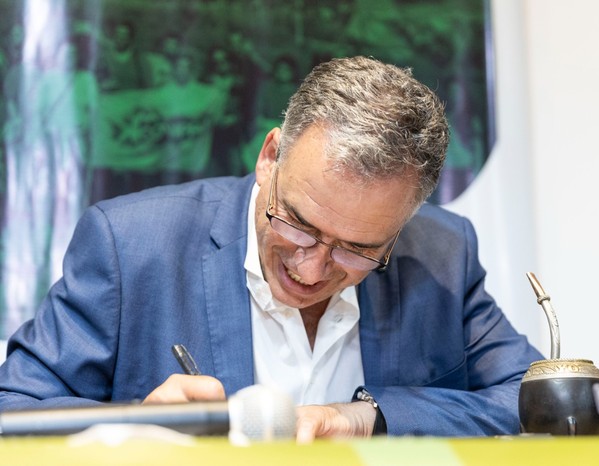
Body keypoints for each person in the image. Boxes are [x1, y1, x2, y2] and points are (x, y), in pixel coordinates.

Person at [0, 56, 542, 441]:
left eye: (357, 249)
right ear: (270, 157)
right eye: (298, 223)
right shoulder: (131, 244)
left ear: (402, 225)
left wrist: (369, 416)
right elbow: (13, 410)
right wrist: (134, 426)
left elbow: (537, 401)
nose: (310, 268)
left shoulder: (442, 254)